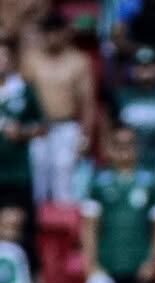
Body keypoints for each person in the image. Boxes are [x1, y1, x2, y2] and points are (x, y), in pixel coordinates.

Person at [81, 126, 155, 283]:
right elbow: (90, 227)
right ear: (110, 148)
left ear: (137, 148)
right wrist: (92, 262)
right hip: (109, 262)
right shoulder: (99, 182)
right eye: (118, 145)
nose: (124, 149)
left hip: (141, 263)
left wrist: (154, 261)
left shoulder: (150, 181)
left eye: (129, 144)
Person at [22, 12, 95, 204]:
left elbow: (87, 102)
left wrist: (85, 136)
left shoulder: (79, 61)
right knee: (37, 180)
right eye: (48, 32)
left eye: (57, 32)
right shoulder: (31, 59)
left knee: (64, 181)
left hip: (66, 127)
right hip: (37, 128)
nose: (53, 37)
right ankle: (36, 228)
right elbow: (20, 97)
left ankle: (65, 229)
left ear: (66, 33)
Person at [106, 47, 155, 171]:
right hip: (129, 164)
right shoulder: (121, 96)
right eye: (140, 65)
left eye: (150, 65)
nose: (145, 70)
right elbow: (111, 129)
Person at [0, 37, 43, 260]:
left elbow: (42, 127)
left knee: (23, 235)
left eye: (3, 56)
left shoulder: (24, 91)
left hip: (17, 175)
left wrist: (23, 132)